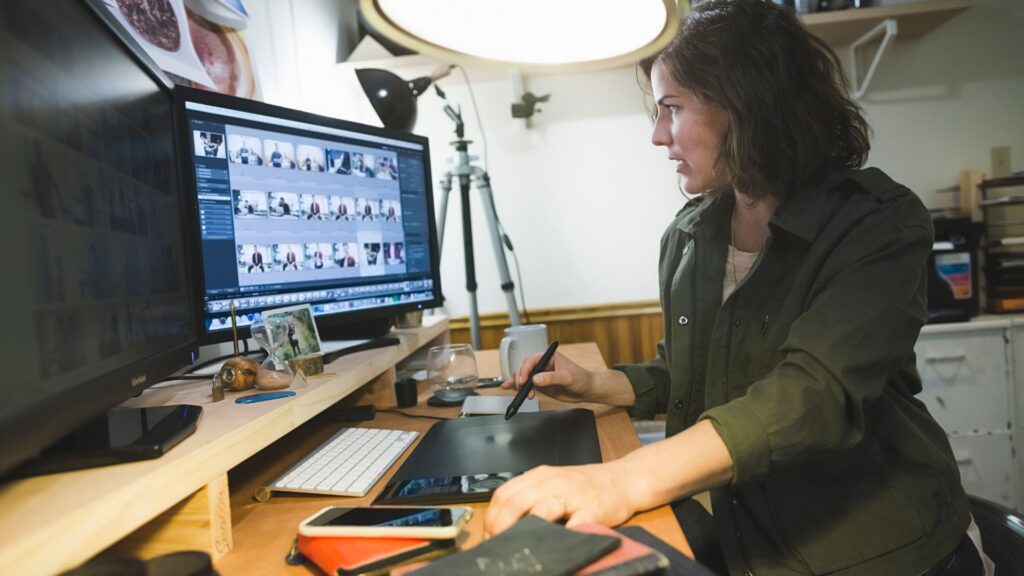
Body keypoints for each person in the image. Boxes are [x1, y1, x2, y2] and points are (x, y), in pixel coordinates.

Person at [485, 2, 990, 576]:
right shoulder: (690, 234)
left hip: (880, 551)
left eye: (672, 108)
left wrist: (620, 479)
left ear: (750, 106)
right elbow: (699, 374)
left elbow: (814, 395)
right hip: (751, 534)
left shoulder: (879, 222)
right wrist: (595, 383)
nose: (656, 135)